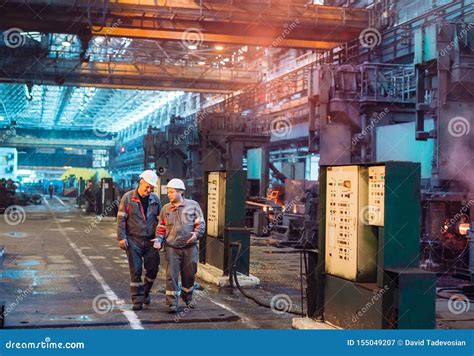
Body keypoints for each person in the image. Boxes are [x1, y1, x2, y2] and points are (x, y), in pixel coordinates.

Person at [155, 178, 205, 313]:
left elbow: (200, 223)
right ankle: (172, 303)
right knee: (171, 275)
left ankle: (187, 297)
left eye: (171, 192)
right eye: (168, 192)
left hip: (190, 247)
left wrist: (196, 234)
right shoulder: (166, 208)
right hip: (172, 247)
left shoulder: (193, 205)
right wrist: (159, 239)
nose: (169, 194)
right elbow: (161, 226)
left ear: (180, 192)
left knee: (189, 275)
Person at [116, 170, 161, 311]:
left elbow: (161, 222)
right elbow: (121, 219)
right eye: (147, 187)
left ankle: (145, 292)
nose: (149, 190)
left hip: (151, 241)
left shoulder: (155, 200)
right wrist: (121, 238)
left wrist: (160, 238)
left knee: (153, 270)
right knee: (135, 271)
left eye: (151, 188)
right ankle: (137, 300)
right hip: (133, 240)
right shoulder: (128, 198)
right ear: (140, 182)